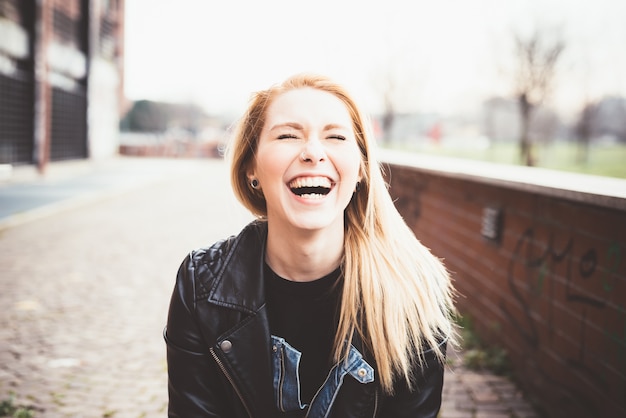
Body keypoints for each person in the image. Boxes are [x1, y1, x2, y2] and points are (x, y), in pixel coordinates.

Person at [164, 73, 457, 417]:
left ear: (361, 169)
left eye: (335, 136)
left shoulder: (413, 292)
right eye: (288, 135)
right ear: (251, 168)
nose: (313, 153)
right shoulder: (201, 287)